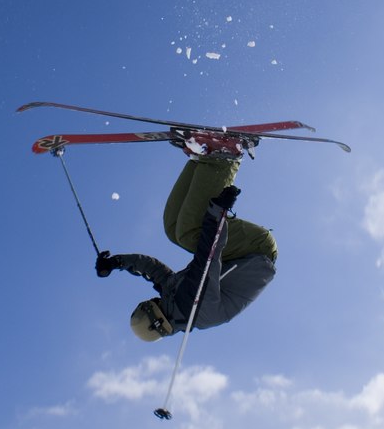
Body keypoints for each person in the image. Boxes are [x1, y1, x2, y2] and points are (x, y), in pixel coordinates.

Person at [95, 132, 278, 341]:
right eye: (149, 304)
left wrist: (116, 262)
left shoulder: (174, 302)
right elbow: (208, 259)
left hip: (235, 253)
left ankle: (201, 158)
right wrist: (216, 212)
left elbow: (153, 270)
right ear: (154, 315)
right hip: (256, 251)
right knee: (189, 234)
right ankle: (224, 157)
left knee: (173, 230)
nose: (153, 300)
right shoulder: (195, 308)